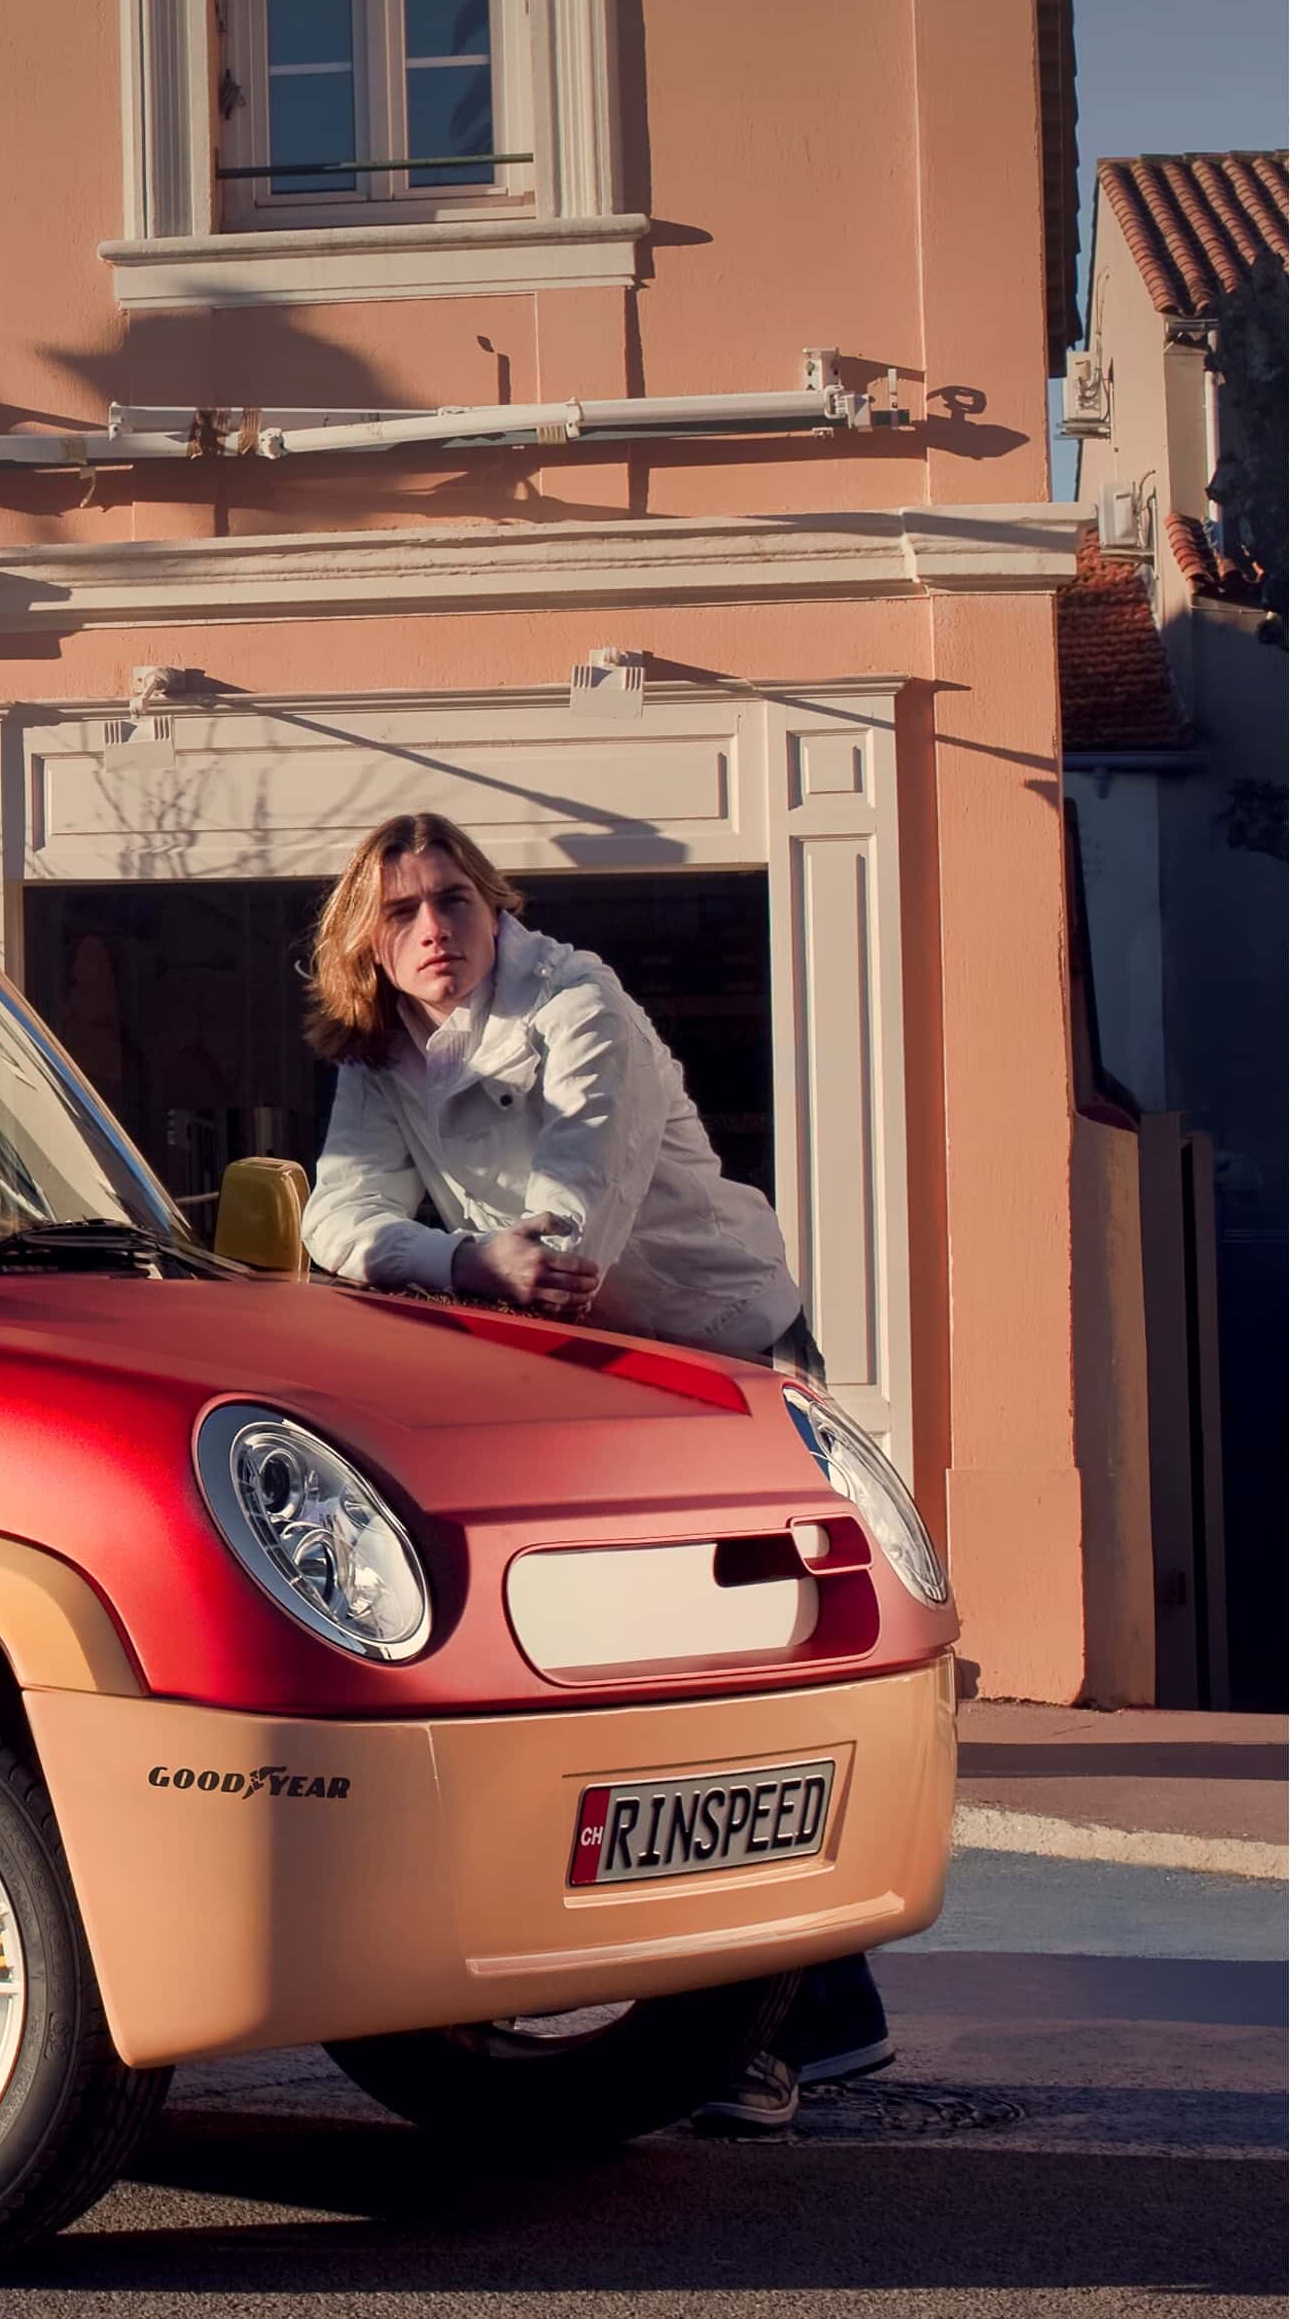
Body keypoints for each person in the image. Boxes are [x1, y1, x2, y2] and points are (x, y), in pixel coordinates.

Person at [297, 811, 885, 2132]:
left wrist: (496, 1261)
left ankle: (784, 2026)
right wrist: (465, 1261)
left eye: (454, 899)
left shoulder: (580, 1005)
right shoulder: (380, 1049)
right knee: (639, 1705)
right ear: (366, 939)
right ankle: (800, 2017)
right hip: (591, 1387)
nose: (432, 928)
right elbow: (340, 1215)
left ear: (495, 906)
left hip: (722, 1364)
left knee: (735, 1696)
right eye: (401, 911)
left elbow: (571, 1240)